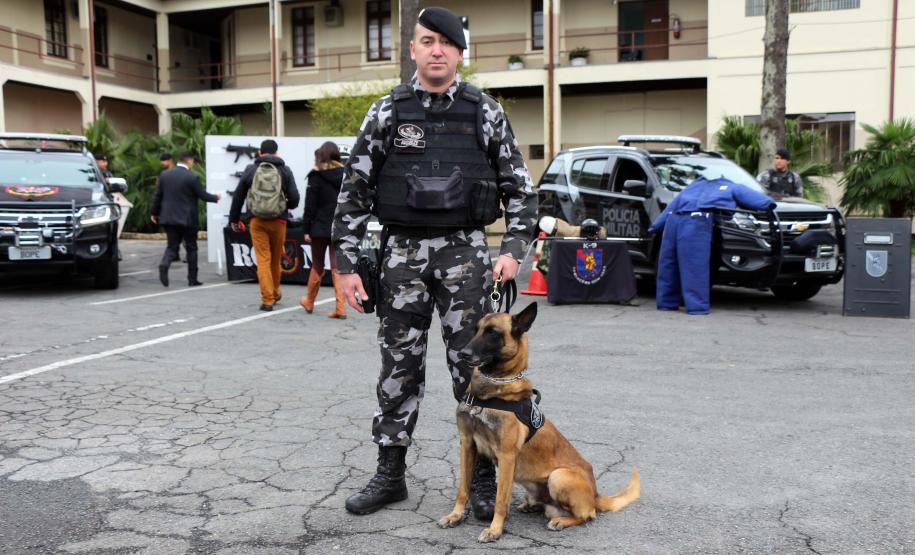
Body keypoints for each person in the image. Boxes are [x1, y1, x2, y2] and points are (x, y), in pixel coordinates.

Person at [332, 6, 538, 518]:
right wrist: (347, 263)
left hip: (465, 254)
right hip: (400, 254)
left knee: (474, 367)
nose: (437, 51)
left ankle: (484, 480)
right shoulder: (387, 112)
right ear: (413, 49)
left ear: (460, 52)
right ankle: (390, 474)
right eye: (427, 41)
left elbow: (520, 190)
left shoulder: (484, 112)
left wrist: (512, 252)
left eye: (446, 43)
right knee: (398, 366)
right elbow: (354, 190)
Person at [647, 176, 775, 315]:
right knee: (694, 266)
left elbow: (671, 207)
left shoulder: (692, 186)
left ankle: (666, 303)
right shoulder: (732, 186)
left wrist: (654, 227)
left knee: (668, 264)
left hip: (673, 220)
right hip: (696, 220)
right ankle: (696, 307)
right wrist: (769, 205)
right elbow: (762, 202)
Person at [229, 139, 300, 312]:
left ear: (260, 152)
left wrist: (234, 219)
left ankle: (268, 300)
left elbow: (238, 196)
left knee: (263, 260)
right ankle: (274, 292)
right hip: (279, 221)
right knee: (275, 259)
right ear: (276, 152)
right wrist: (284, 206)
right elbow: (295, 199)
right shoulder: (284, 170)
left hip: (257, 220)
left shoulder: (251, 169)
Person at [151, 151, 220, 287]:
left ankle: (165, 264)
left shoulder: (165, 175)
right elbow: (203, 195)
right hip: (187, 220)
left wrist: (154, 213)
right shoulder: (192, 177)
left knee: (172, 246)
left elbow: (157, 196)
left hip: (169, 218)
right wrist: (216, 197)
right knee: (191, 248)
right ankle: (192, 279)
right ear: (189, 161)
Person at [299, 141, 347, 319]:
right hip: (338, 226)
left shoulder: (316, 176)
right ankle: (340, 307)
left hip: (319, 227)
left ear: (320, 156)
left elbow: (309, 206)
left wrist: (306, 229)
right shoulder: (345, 175)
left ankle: (309, 301)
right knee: (336, 266)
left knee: (317, 264)